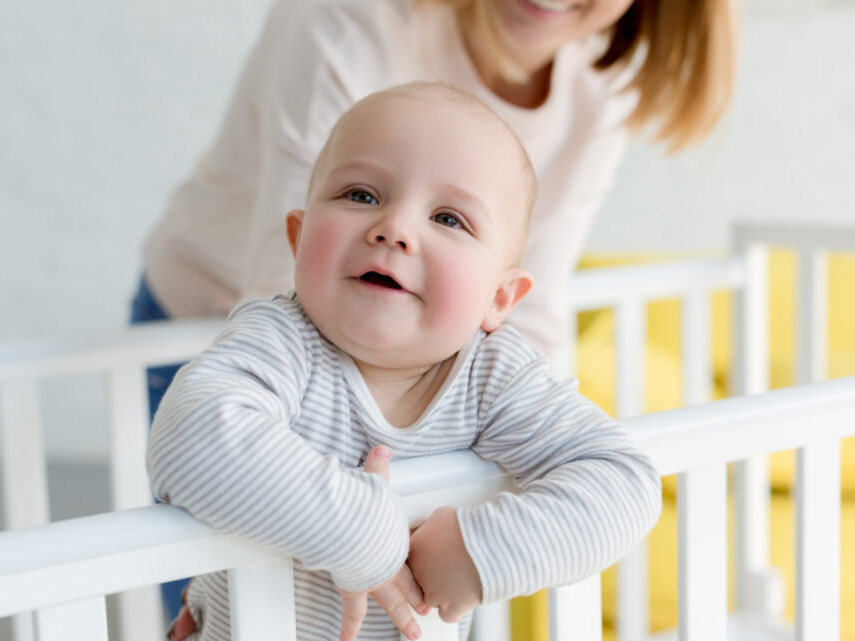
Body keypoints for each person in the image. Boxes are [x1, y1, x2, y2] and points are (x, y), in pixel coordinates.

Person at [132, 0, 734, 618]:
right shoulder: (281, 338)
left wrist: (483, 549)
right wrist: (371, 539)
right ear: (299, 233)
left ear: (500, 299)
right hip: (212, 307)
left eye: (448, 218)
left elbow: (622, 480)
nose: (394, 228)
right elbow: (195, 431)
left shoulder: (493, 374)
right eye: (361, 194)